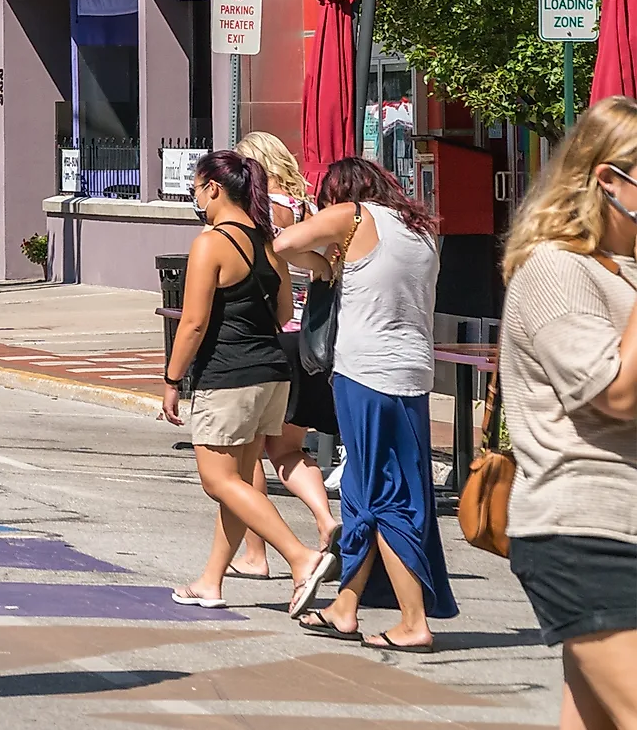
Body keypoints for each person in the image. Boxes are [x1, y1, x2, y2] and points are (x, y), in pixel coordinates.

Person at [278, 156, 455, 649]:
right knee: (361, 489)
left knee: (384, 496)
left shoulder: (353, 215)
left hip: (365, 373)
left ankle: (413, 622)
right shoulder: (419, 230)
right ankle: (345, 606)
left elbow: (284, 243)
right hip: (412, 372)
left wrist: (323, 264)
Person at [499, 96, 637, 725]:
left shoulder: (623, 274)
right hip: (586, 531)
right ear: (609, 179)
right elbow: (616, 393)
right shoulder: (556, 270)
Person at [160, 150, 330, 613]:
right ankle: (211, 581)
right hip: (272, 372)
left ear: (214, 189)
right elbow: (282, 312)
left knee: (219, 481)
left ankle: (301, 556)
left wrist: (172, 379)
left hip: (228, 374)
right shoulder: (264, 241)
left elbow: (193, 322)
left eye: (197, 189)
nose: (196, 197)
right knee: (238, 482)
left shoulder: (211, 242)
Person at [233, 130, 340, 580]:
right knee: (290, 448)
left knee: (250, 453)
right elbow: (329, 264)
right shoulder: (310, 209)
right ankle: (324, 517)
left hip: (273, 337)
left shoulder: (259, 213)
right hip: (312, 341)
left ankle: (256, 555)